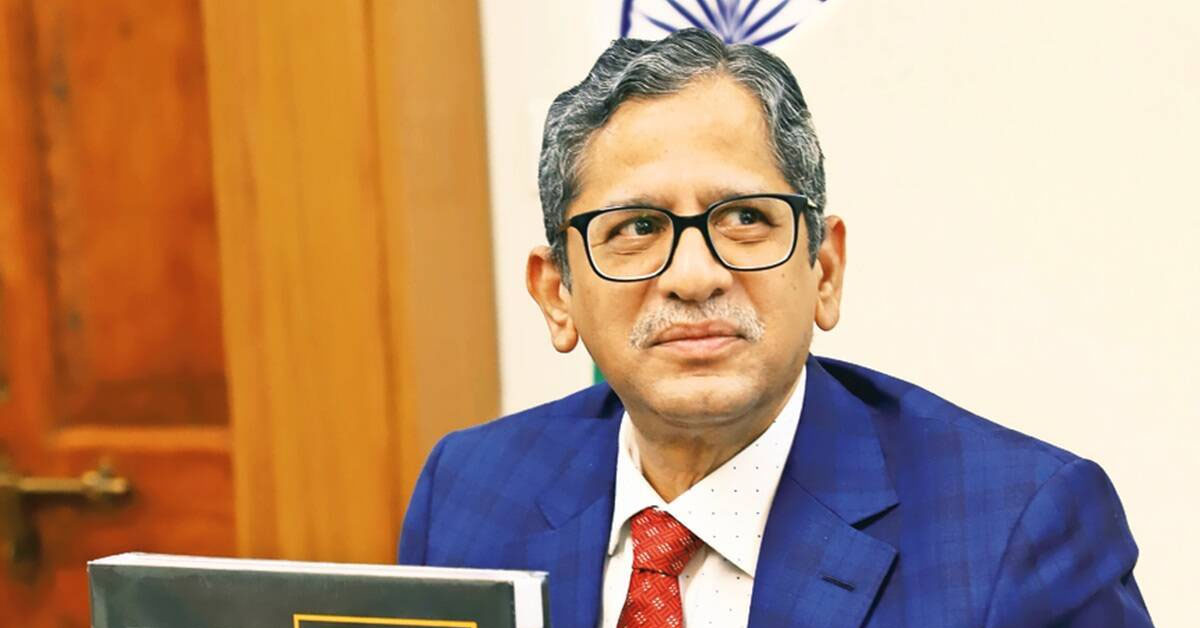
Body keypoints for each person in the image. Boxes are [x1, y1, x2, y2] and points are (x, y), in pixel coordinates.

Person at [397, 28, 1152, 628]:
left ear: (824, 270)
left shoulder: (1019, 528)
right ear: (557, 294)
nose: (695, 276)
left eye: (745, 218)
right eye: (637, 228)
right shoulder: (467, 494)